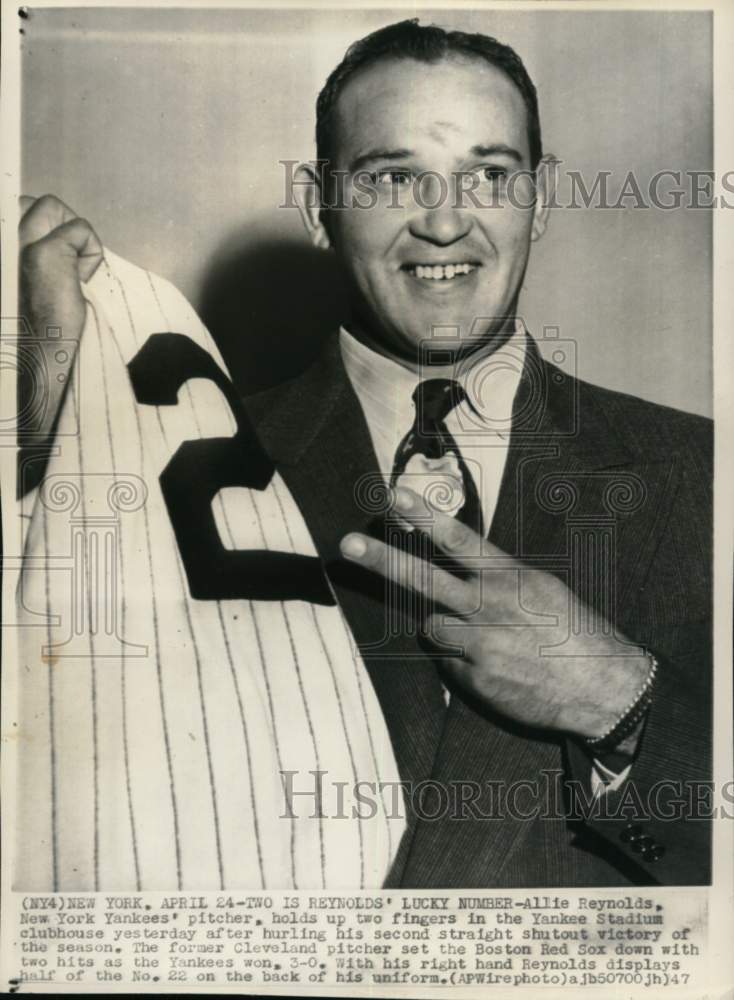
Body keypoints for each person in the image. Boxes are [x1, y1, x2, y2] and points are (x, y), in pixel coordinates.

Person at [17, 19, 711, 889]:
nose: (445, 221)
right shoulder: (181, 455)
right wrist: (45, 390)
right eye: (391, 177)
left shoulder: (702, 472)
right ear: (319, 206)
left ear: (544, 199)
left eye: (489, 175)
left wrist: (621, 700)